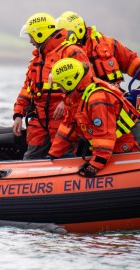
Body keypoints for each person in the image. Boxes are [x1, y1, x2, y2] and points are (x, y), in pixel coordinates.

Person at [13, 12, 91, 160]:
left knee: (64, 155)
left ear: (41, 34)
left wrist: (65, 101)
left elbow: (87, 81)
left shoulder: (71, 52)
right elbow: (27, 89)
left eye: (31, 36)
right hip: (39, 119)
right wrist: (18, 114)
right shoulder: (37, 59)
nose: (30, 40)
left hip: (62, 117)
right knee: (31, 157)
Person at [48, 58, 140, 177]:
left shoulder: (97, 99)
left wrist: (96, 164)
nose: (59, 88)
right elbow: (68, 127)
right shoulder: (76, 98)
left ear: (69, 82)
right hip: (112, 146)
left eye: (60, 85)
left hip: (128, 144)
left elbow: (104, 135)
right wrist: (54, 153)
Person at [56, 11, 140, 89]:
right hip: (84, 101)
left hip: (115, 98)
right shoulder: (62, 53)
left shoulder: (107, 43)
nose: (63, 38)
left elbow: (132, 62)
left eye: (64, 34)